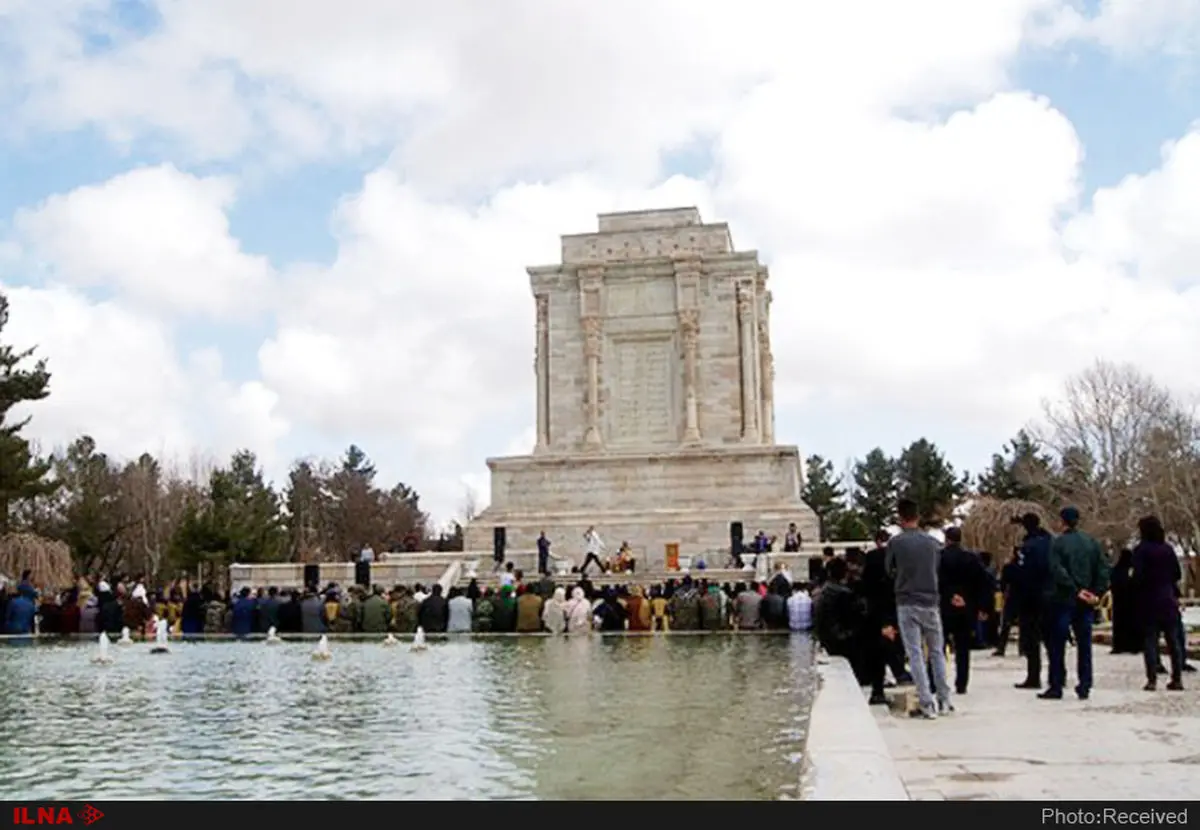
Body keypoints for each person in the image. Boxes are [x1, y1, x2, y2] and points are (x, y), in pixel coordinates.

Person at [886, 497, 953, 719]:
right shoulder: (933, 543)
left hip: (906, 601)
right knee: (936, 652)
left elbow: (889, 571)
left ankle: (926, 703)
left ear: (900, 517)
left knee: (914, 653)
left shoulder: (895, 543)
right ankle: (944, 698)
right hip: (930, 600)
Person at [1042, 506, 1110, 700]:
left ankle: (1056, 684)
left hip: (1064, 598)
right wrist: (1096, 592)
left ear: (1062, 521)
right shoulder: (1091, 543)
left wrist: (1074, 589)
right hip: (1087, 601)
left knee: (1057, 644)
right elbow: (1103, 569)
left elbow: (1056, 569)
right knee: (1084, 643)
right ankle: (1085, 684)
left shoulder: (1058, 543)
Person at [1131, 516, 1185, 691]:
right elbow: (1177, 574)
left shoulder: (1140, 550)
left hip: (1148, 600)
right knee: (1173, 641)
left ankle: (1152, 679)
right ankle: (1177, 678)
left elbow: (1137, 576)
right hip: (1168, 598)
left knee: (1150, 641)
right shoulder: (1167, 549)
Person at [938, 526, 992, 694]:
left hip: (944, 607)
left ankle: (937, 681)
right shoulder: (972, 559)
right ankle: (962, 683)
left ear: (946, 539)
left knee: (938, 647)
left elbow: (936, 581)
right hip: (966, 607)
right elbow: (983, 583)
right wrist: (980, 605)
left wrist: (950, 596)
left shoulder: (939, 558)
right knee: (963, 648)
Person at [1012, 513, 1053, 690]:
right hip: (1051, 594)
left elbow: (1021, 574)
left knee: (1031, 639)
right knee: (1052, 638)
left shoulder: (1027, 547)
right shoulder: (1051, 542)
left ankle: (1033, 676)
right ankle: (1058, 674)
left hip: (1030, 598)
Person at [1108, 548, 1141, 654]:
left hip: (1119, 603)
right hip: (1132, 603)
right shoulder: (1133, 570)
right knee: (1132, 625)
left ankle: (1119, 646)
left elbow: (1112, 583)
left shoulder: (1116, 570)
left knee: (1119, 625)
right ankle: (1133, 646)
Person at [992, 550, 1021, 657]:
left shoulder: (1008, 567)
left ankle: (1001, 647)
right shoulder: (1024, 567)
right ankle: (1022, 648)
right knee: (1023, 624)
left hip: (1011, 597)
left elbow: (1003, 583)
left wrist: (1004, 593)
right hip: (1023, 597)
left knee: (1006, 624)